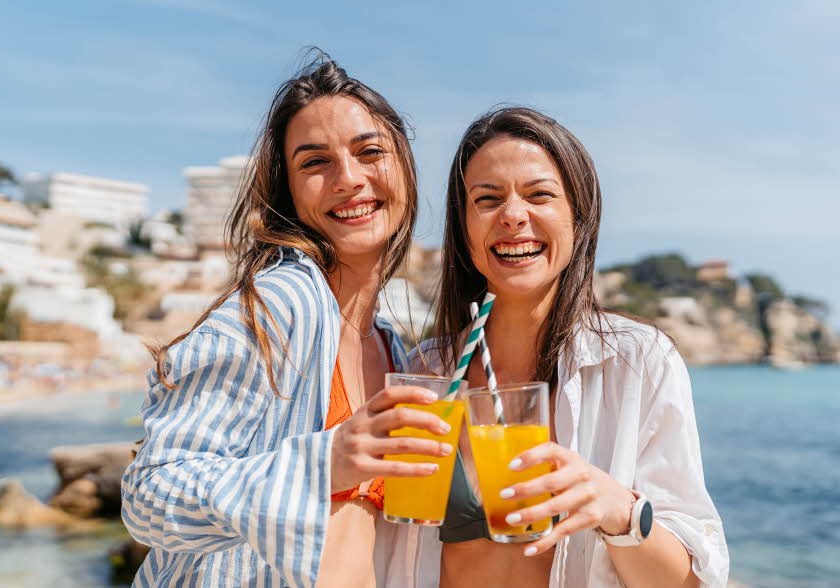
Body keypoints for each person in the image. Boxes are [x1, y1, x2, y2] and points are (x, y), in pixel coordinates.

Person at [121, 53, 455, 588]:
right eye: (315, 162)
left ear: (406, 169)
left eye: (370, 152)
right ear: (290, 194)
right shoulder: (280, 305)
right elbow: (149, 497)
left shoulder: (393, 346)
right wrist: (324, 465)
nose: (349, 179)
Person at [400, 107, 729, 587]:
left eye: (539, 195)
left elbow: (693, 581)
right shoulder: (425, 370)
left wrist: (616, 507)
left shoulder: (636, 362)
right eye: (487, 199)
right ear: (464, 226)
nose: (513, 216)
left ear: (579, 217)